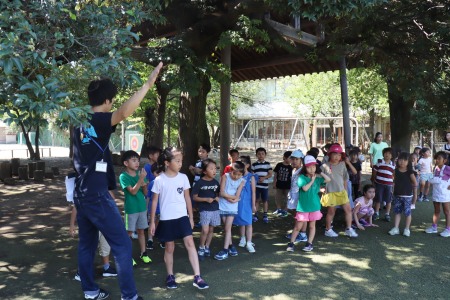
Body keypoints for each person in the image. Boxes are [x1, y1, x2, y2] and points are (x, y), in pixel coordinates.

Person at [72, 62, 162, 300]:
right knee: (122, 244)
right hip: (96, 194)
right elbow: (123, 113)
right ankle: (129, 296)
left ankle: (90, 291)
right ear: (108, 100)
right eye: (112, 100)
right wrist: (148, 83)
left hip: (81, 193)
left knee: (86, 245)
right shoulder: (100, 119)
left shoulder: (77, 122)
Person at [149, 147, 209, 290]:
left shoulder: (183, 177)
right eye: (177, 161)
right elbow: (154, 201)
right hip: (166, 218)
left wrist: (191, 216)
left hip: (182, 217)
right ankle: (170, 275)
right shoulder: (159, 180)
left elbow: (187, 197)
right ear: (167, 162)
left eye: (181, 160)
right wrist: (152, 222)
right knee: (169, 247)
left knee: (190, 243)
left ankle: (197, 277)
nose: (180, 163)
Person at [286, 155, 331, 252]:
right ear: (305, 168)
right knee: (298, 226)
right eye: (309, 167)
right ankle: (291, 243)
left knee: (312, 226)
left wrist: (320, 172)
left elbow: (328, 180)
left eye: (314, 167)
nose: (312, 169)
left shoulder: (317, 178)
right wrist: (312, 180)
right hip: (303, 207)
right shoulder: (301, 177)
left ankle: (309, 243)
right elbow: (305, 188)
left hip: (314, 206)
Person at [119, 150, 152, 266]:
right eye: (133, 160)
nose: (137, 163)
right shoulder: (123, 176)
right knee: (128, 233)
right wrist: (140, 180)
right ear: (126, 163)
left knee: (141, 231)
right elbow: (132, 192)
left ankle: (144, 253)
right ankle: (128, 256)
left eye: (137, 160)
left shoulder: (140, 174)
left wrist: (144, 184)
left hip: (142, 208)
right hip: (131, 209)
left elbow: (145, 192)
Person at [320, 144, 358, 238]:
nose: (337, 157)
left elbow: (345, 178)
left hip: (342, 192)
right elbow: (319, 179)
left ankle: (349, 229)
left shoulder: (342, 164)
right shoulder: (324, 166)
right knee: (331, 211)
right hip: (330, 193)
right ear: (329, 154)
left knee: (348, 210)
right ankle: (328, 230)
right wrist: (322, 189)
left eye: (339, 155)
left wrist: (345, 190)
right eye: (335, 154)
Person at [214, 161, 246, 260]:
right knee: (226, 228)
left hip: (232, 207)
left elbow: (238, 195)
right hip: (223, 205)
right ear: (231, 170)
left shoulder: (242, 180)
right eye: (234, 173)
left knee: (228, 228)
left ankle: (225, 250)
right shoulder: (225, 177)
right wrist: (231, 198)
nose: (236, 176)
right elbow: (222, 192)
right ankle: (231, 246)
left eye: (239, 174)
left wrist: (234, 198)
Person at [192, 158, 220, 259]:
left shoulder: (216, 183)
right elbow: (194, 197)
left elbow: (218, 194)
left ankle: (207, 246)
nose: (214, 171)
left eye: (215, 168)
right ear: (204, 171)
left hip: (215, 209)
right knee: (205, 230)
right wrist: (205, 199)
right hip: (204, 209)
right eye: (211, 169)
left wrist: (217, 198)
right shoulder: (199, 183)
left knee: (211, 229)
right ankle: (201, 247)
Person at [388, 152, 417, 237]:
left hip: (407, 196)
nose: (402, 162)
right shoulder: (395, 171)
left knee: (407, 213)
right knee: (397, 212)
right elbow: (393, 180)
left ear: (408, 162)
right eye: (400, 160)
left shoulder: (410, 172)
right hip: (397, 195)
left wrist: (412, 192)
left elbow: (415, 183)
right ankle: (396, 228)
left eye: (405, 160)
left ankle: (407, 229)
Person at [234, 155, 257, 253]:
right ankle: (242, 238)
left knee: (248, 222)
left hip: (247, 202)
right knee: (240, 221)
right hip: (238, 201)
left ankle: (249, 242)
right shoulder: (237, 175)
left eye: (243, 163)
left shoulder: (251, 177)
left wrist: (253, 205)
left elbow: (253, 192)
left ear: (247, 165)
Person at [425, 151, 450, 237]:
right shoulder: (436, 168)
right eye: (436, 158)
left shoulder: (447, 168)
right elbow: (435, 179)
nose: (437, 160)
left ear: (445, 160)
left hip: (445, 194)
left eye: (439, 158)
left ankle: (448, 229)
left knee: (447, 211)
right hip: (436, 193)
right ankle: (434, 227)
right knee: (436, 211)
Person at [286, 150, 308, 242]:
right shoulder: (294, 170)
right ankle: (299, 232)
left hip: (300, 196)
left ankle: (302, 234)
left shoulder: (303, 171)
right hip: (294, 196)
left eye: (297, 159)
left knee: (301, 216)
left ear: (301, 160)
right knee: (297, 215)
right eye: (293, 159)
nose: (294, 161)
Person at [143, 146, 161, 250]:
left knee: (157, 220)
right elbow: (145, 182)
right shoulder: (147, 167)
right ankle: (150, 239)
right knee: (151, 220)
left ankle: (156, 236)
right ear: (150, 156)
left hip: (160, 205)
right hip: (150, 200)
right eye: (157, 155)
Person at [371, 147, 395, 221]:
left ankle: (387, 214)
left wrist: (393, 182)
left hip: (389, 185)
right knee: (378, 199)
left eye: (389, 153)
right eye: (385, 153)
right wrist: (374, 179)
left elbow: (394, 174)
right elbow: (374, 171)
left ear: (392, 156)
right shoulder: (379, 163)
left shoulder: (393, 165)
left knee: (388, 200)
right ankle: (376, 213)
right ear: (383, 154)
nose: (387, 155)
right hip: (379, 184)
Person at [251, 147, 273, 223]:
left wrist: (264, 178)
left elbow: (270, 174)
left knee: (265, 200)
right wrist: (256, 179)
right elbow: (252, 174)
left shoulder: (268, 164)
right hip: (256, 186)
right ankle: (255, 215)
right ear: (256, 155)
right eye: (259, 154)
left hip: (265, 186)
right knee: (256, 200)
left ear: (265, 155)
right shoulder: (254, 164)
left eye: (262, 154)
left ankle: (265, 215)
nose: (261, 155)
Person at [272, 151, 293, 217]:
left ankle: (285, 210)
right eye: (290, 158)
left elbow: (291, 177)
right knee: (278, 198)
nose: (291, 160)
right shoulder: (279, 165)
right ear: (285, 158)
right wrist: (274, 183)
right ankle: (279, 209)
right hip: (279, 185)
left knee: (287, 198)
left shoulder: (291, 167)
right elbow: (275, 174)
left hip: (287, 186)